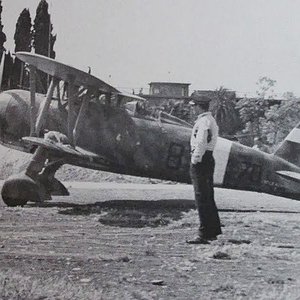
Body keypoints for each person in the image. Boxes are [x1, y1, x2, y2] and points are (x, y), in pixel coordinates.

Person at [187, 96, 222, 244]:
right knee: (208, 196)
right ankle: (213, 231)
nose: (192, 108)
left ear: (199, 106)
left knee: (201, 196)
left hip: (202, 160)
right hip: (207, 158)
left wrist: (195, 159)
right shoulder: (209, 120)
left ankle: (203, 234)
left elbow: (201, 142)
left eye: (194, 106)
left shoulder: (204, 122)